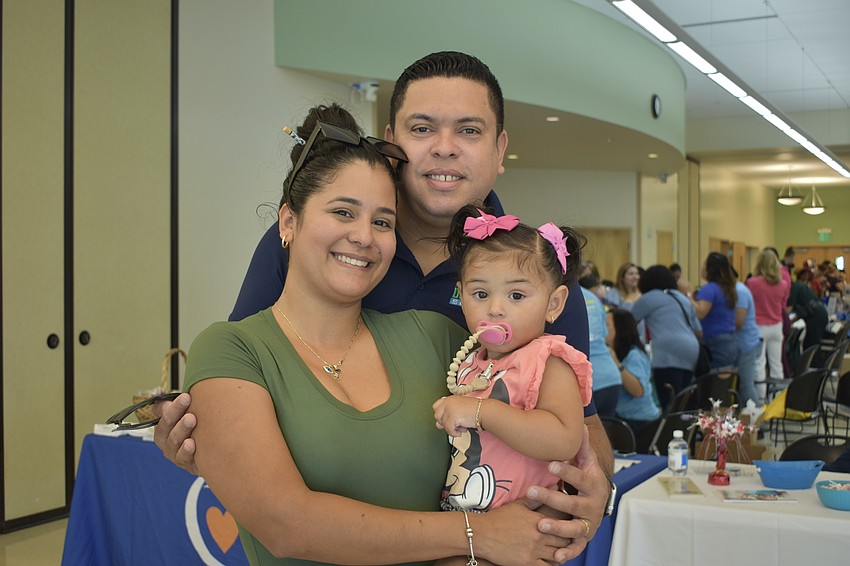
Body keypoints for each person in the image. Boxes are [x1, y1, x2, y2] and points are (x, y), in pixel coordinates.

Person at [155, 51, 612, 561]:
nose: (444, 149)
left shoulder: (530, 276)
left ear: (500, 147)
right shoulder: (309, 249)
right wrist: (209, 437)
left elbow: (578, 430)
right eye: (422, 129)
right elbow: (249, 374)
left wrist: (595, 491)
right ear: (394, 137)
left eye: (468, 131)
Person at [434, 206, 592, 521]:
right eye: (480, 293)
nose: (495, 308)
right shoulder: (470, 363)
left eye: (516, 296)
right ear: (460, 296)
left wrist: (481, 412)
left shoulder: (548, 360)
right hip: (467, 517)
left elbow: (565, 439)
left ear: (554, 304)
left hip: (527, 521)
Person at [630, 265, 701, 410]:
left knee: (668, 400)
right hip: (692, 351)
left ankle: (670, 428)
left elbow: (628, 322)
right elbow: (699, 331)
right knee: (682, 398)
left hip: (667, 352)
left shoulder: (649, 298)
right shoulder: (682, 298)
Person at [607, 308, 660, 436]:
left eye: (607, 325)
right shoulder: (617, 352)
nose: (602, 330)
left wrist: (617, 364)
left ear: (620, 329)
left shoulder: (634, 355)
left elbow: (638, 390)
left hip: (640, 422)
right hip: (626, 418)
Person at [747, 250, 790, 386]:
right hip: (777, 327)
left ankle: (760, 398)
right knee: (776, 364)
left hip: (759, 327)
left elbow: (748, 304)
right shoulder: (783, 284)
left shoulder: (752, 283)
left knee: (759, 364)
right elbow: (783, 305)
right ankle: (777, 398)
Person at [580, 279, 621, 419]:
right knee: (605, 434)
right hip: (611, 377)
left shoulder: (560, 298)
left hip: (589, 381)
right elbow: (604, 335)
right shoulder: (592, 298)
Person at [691, 252, 739, 370]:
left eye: (704, 264)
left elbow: (700, 312)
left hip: (715, 342)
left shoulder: (709, 289)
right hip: (730, 340)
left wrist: (687, 296)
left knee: (714, 380)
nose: (701, 267)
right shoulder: (727, 288)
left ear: (710, 269)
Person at [734, 279, 762, 405]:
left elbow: (738, 322)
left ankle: (754, 418)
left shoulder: (740, 291)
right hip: (749, 341)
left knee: (746, 385)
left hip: (746, 344)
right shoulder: (740, 289)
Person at [788, 268, 829, 350]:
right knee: (812, 345)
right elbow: (803, 312)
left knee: (811, 347)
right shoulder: (801, 287)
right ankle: (813, 362)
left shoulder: (794, 288)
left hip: (815, 317)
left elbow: (787, 310)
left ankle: (814, 363)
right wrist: (790, 322)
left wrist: (784, 323)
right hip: (821, 313)